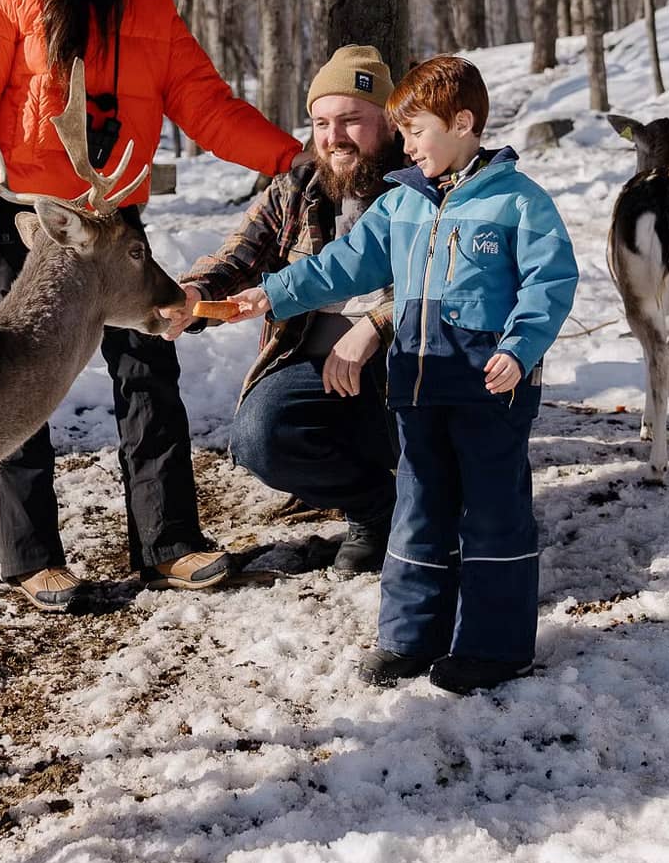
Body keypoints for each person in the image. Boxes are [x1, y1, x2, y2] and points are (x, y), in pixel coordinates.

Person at [0, 0, 307, 613]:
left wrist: (290, 159)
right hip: (30, 227)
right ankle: (32, 558)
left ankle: (168, 543)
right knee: (13, 385)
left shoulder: (150, 7)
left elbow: (204, 103)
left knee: (148, 371)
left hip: (115, 227)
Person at [225, 57, 579, 694]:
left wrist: (520, 349)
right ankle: (410, 637)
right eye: (404, 133)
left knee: (493, 514)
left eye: (416, 132)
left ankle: (495, 648)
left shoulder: (517, 202)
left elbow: (550, 283)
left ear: (463, 124)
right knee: (420, 508)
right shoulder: (403, 204)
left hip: (491, 388)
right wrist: (272, 294)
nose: (408, 146)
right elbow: (342, 265)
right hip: (419, 383)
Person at [160, 45, 404, 575]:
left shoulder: (418, 184)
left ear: (387, 120)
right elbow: (236, 257)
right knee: (257, 436)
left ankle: (424, 505)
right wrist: (193, 297)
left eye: (351, 121)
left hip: (400, 364)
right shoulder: (299, 188)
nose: (334, 137)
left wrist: (373, 326)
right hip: (310, 367)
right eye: (321, 122)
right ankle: (373, 508)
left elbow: (441, 286)